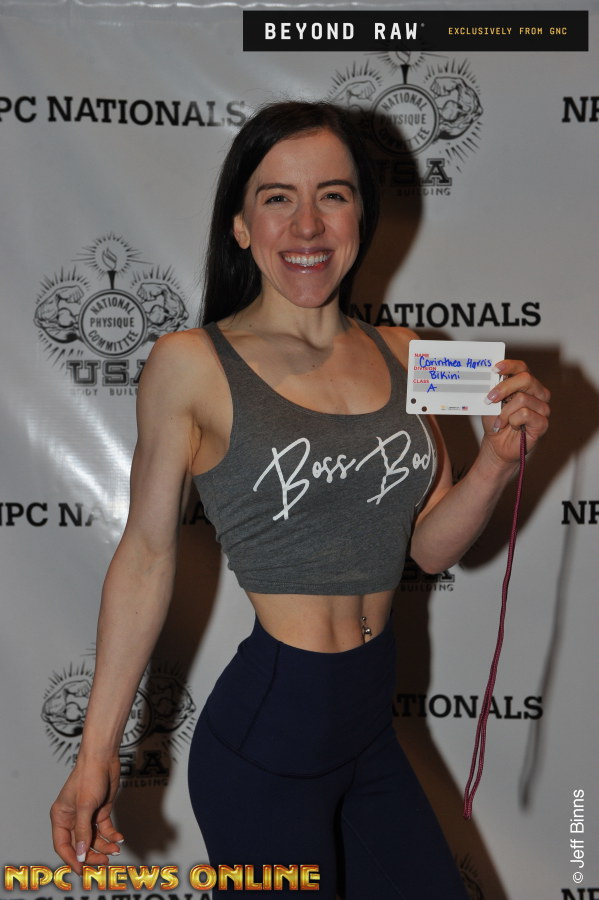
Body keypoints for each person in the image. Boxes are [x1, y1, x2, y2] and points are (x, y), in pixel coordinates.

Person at [51, 101, 550, 898]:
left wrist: (494, 464)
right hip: (267, 745)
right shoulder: (192, 363)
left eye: (333, 195)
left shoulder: (407, 354)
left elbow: (426, 549)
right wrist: (96, 753)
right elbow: (145, 556)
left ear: (361, 215)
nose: (307, 224)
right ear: (240, 225)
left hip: (368, 732)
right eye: (277, 197)